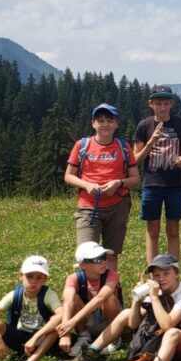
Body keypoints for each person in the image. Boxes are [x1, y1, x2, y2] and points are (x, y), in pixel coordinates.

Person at [61, 254, 181, 361]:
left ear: (177, 274)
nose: (161, 279)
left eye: (166, 274)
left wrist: (154, 298)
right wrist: (137, 300)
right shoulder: (157, 290)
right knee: (126, 313)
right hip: (164, 337)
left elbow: (167, 326)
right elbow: (133, 323)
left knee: (172, 333)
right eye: (156, 275)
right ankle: (92, 352)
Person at [64, 103, 140, 272]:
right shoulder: (82, 145)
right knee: (85, 254)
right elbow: (68, 176)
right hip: (88, 207)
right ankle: (86, 288)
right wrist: (86, 185)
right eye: (101, 120)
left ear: (116, 124)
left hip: (118, 206)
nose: (105, 124)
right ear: (93, 123)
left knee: (111, 254)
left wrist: (119, 183)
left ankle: (110, 287)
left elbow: (135, 178)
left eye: (110, 120)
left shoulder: (124, 147)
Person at [132, 85, 181, 264]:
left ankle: (173, 269)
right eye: (158, 103)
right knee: (152, 231)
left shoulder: (180, 124)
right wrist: (151, 142)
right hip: (152, 184)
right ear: (151, 104)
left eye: (166, 103)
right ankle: (152, 270)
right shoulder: (144, 125)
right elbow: (135, 160)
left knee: (173, 230)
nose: (162, 107)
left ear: (172, 104)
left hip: (175, 185)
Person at [56, 241, 123, 356]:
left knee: (109, 297)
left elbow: (100, 298)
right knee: (73, 298)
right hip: (87, 319)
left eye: (103, 257)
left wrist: (72, 322)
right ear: (83, 265)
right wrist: (65, 333)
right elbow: (68, 302)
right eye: (97, 260)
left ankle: (113, 336)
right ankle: (84, 336)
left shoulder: (112, 275)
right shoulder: (73, 278)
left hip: (108, 318)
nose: (103, 262)